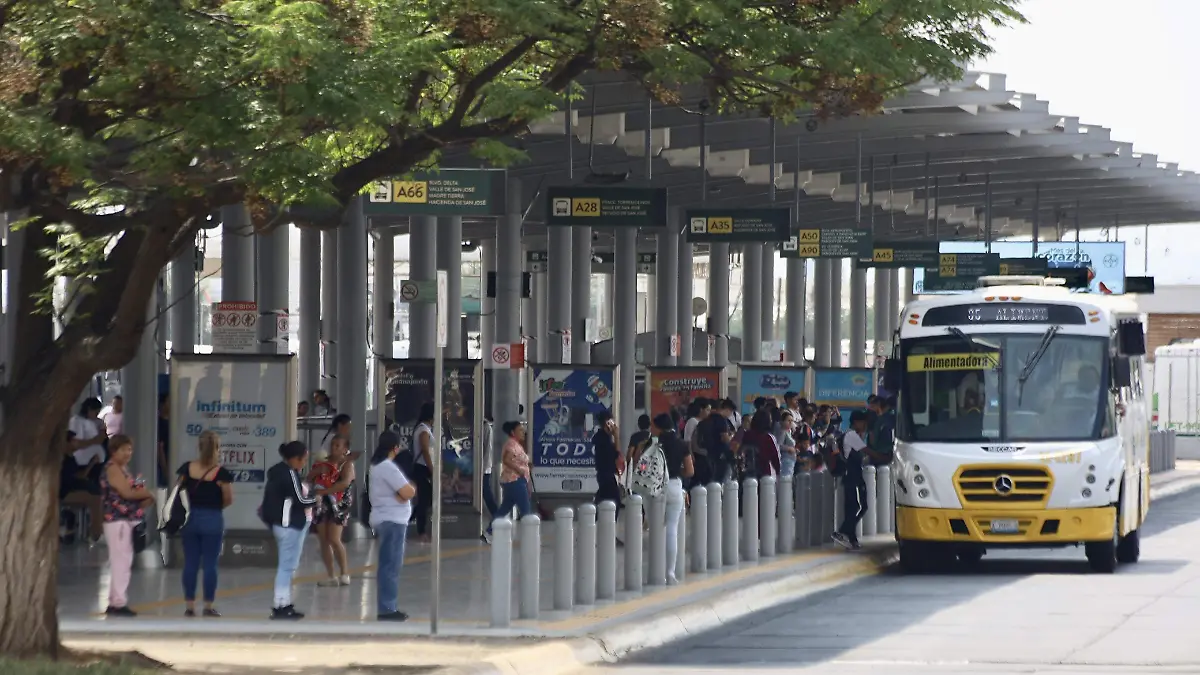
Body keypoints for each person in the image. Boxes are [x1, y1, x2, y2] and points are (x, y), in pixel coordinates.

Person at [261, 440, 323, 620]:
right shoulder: (289, 474)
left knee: (286, 566)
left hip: (279, 524)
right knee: (286, 567)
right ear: (295, 459)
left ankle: (284, 602)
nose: (304, 463)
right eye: (303, 459)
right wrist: (316, 501)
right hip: (289, 525)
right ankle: (280, 604)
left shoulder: (276, 472)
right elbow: (299, 500)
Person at [177, 430, 233, 617]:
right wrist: (214, 506)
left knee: (190, 563)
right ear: (217, 448)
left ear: (199, 447)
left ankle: (189, 606)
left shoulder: (187, 468)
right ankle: (208, 605)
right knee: (210, 564)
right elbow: (228, 499)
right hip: (213, 518)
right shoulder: (221, 473)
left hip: (189, 519)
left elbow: (179, 492)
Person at [100, 434, 154, 617]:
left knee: (123, 561)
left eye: (129, 449)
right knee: (121, 562)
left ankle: (116, 599)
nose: (127, 453)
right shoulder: (113, 469)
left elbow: (135, 492)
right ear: (113, 450)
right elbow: (127, 493)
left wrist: (143, 493)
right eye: (123, 449)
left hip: (126, 520)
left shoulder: (125, 470)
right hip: (118, 521)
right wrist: (147, 493)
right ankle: (118, 602)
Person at [369, 431, 417, 621]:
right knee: (391, 566)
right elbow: (407, 491)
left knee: (387, 564)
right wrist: (410, 488)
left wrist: (404, 492)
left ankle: (386, 606)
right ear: (395, 448)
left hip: (386, 518)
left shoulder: (376, 466)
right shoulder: (388, 467)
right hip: (393, 520)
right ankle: (387, 608)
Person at [310, 434, 357, 587]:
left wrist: (324, 492)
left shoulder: (347, 464)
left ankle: (344, 572)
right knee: (324, 540)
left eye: (338, 445)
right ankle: (331, 575)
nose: (334, 448)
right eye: (333, 444)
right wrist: (317, 472)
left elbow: (344, 484)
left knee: (334, 539)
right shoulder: (323, 463)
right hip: (322, 504)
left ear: (345, 449)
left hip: (339, 504)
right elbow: (309, 478)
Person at [652, 413, 692, 585]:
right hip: (675, 485)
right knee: (672, 530)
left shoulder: (653, 445)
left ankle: (655, 572)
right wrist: (678, 474)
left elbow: (643, 466)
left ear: (659, 428)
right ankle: (670, 572)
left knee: (656, 530)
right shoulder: (682, 444)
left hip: (656, 488)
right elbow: (690, 471)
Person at [832, 411, 871, 550]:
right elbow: (866, 453)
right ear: (857, 422)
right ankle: (842, 532)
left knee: (853, 507)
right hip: (852, 476)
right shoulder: (852, 435)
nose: (865, 425)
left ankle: (851, 538)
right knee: (857, 506)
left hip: (853, 475)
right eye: (863, 422)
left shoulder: (852, 435)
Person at [489, 420, 531, 536]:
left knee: (504, 509)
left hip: (516, 480)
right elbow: (506, 460)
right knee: (525, 509)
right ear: (513, 432)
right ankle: (531, 535)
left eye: (523, 430)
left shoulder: (517, 445)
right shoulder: (511, 444)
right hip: (514, 481)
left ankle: (489, 530)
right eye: (520, 430)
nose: (523, 432)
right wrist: (519, 470)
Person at [409, 404, 437, 542]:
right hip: (422, 468)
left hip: (423, 468)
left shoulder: (423, 428)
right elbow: (425, 450)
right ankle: (420, 531)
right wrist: (432, 469)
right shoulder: (423, 430)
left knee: (425, 500)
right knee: (424, 501)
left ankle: (408, 519)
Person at [592, 411, 624, 511]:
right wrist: (617, 436)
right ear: (607, 423)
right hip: (606, 475)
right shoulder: (604, 439)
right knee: (615, 502)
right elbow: (617, 455)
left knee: (603, 499)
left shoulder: (603, 437)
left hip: (604, 474)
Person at [865, 395, 897, 466]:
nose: (870, 408)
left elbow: (873, 441)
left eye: (872, 405)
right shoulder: (892, 418)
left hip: (880, 456)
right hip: (889, 454)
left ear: (878, 404)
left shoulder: (881, 420)